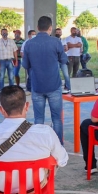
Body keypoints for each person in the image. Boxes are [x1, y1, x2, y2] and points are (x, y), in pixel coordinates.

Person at [22, 16, 68, 144]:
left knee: (39, 119)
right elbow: (64, 60)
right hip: (54, 85)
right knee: (57, 119)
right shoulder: (56, 42)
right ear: (50, 28)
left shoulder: (29, 44)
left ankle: (40, 146)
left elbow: (25, 65)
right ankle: (59, 146)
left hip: (37, 86)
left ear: (37, 28)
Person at [54, 28, 71, 93]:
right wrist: (61, 49)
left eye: (59, 32)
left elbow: (66, 49)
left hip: (63, 60)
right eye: (57, 32)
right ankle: (58, 88)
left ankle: (69, 88)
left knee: (66, 75)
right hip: (56, 60)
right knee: (57, 74)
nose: (58, 33)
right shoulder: (53, 40)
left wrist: (59, 50)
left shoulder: (63, 40)